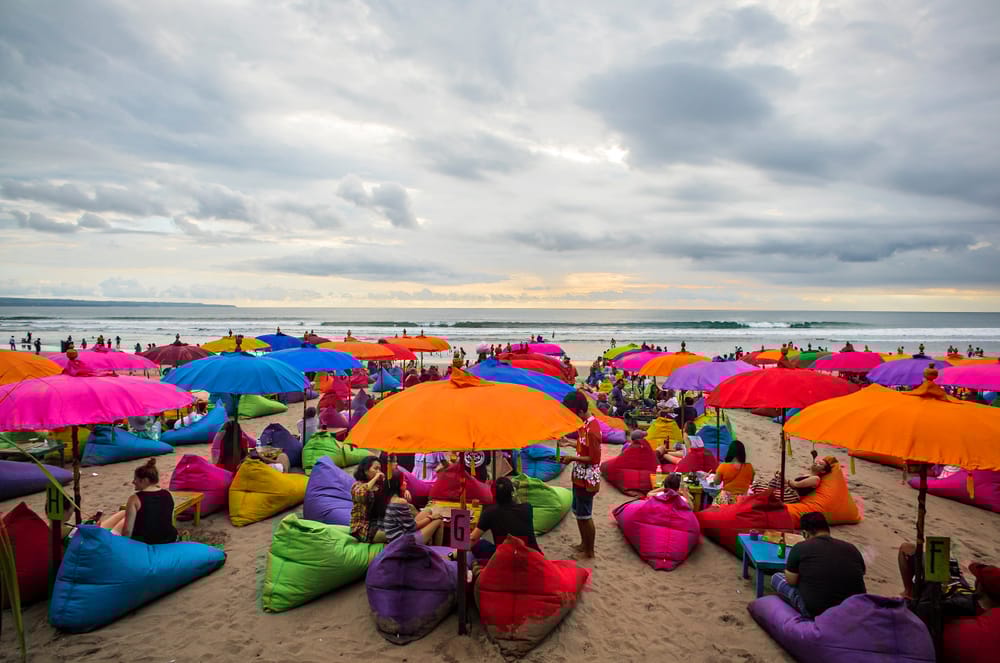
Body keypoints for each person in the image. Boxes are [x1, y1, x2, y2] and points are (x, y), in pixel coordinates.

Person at [770, 512, 866, 617]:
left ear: (805, 534)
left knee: (777, 577)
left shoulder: (800, 547)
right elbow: (861, 572)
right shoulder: (851, 548)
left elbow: (791, 581)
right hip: (855, 609)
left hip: (817, 611)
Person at [557, 390, 601, 559]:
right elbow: (584, 446)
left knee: (586, 515)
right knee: (579, 513)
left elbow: (593, 458)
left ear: (581, 411)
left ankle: (590, 551)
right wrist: (569, 442)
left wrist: (571, 458)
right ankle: (584, 544)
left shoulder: (593, 429)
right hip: (579, 475)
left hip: (587, 479)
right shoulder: (585, 425)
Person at [98, 459, 178, 544]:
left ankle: (100, 532)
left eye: (136, 479)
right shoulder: (167, 494)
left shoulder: (135, 499)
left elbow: (127, 532)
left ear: (145, 480)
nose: (133, 482)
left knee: (125, 517)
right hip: (168, 538)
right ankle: (100, 529)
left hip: (144, 542)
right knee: (124, 512)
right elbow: (168, 519)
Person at [471, 476, 542, 555]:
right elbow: (517, 505)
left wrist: (456, 553)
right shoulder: (527, 508)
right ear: (512, 493)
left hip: (505, 557)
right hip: (531, 555)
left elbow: (473, 539)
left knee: (479, 545)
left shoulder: (489, 513)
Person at [382, 474, 443, 544]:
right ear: (398, 485)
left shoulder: (388, 497)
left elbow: (408, 524)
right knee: (438, 519)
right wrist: (430, 518)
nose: (406, 483)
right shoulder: (400, 501)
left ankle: (428, 548)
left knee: (427, 510)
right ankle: (436, 552)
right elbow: (413, 527)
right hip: (403, 542)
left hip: (399, 535)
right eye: (403, 481)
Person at [351, 456, 388, 543]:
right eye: (375, 468)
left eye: (380, 469)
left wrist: (403, 491)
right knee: (397, 536)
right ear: (365, 470)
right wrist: (375, 478)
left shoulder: (379, 486)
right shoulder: (357, 485)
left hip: (381, 523)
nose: (379, 472)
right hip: (365, 528)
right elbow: (361, 495)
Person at [712, 440, 755, 504]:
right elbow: (751, 482)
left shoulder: (723, 466)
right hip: (743, 500)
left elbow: (716, 482)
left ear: (730, 452)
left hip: (726, 499)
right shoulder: (750, 467)